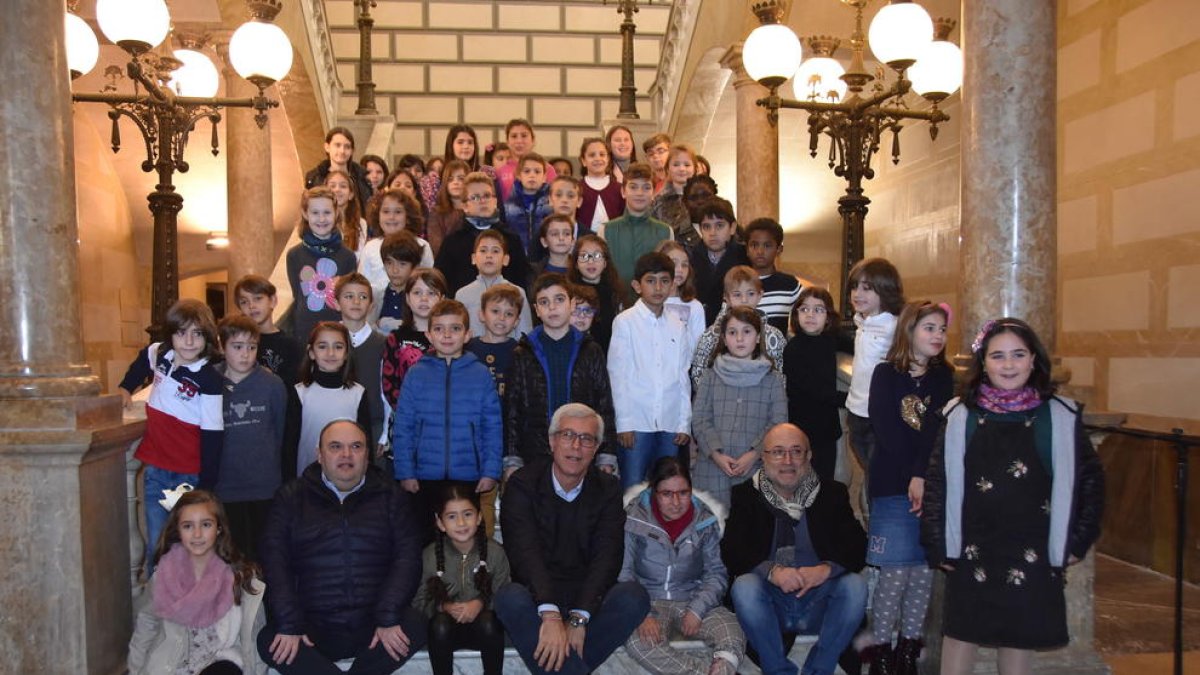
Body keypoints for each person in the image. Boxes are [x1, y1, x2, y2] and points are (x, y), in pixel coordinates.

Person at [922, 318, 1105, 675]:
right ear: (984, 363)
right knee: (962, 631)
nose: (1008, 365)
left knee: (1018, 637)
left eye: (1018, 355)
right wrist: (937, 542)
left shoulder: (1059, 417)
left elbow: (1091, 482)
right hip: (973, 545)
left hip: (1031, 546)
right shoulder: (961, 416)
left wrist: (1077, 541)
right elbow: (937, 483)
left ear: (1034, 359)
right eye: (998, 356)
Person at [258, 420, 428, 675]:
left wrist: (388, 615)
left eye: (356, 447)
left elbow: (407, 559)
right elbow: (275, 562)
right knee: (269, 640)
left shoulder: (391, 497)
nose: (346, 455)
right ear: (319, 454)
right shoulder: (291, 498)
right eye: (335, 447)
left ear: (367, 456)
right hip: (313, 625)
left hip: (373, 624)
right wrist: (290, 622)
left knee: (415, 624)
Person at [494, 404, 650, 675]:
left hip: (586, 598)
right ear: (553, 441)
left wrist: (578, 618)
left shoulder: (608, 489)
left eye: (586, 439)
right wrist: (551, 615)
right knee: (509, 597)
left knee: (633, 597)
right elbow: (524, 555)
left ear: (597, 448)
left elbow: (607, 557)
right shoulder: (522, 485)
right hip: (537, 596)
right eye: (568, 435)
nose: (576, 446)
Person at [722, 423, 868, 675]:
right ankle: (778, 670)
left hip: (819, 601)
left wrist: (826, 570)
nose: (787, 460)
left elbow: (857, 546)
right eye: (777, 452)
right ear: (763, 457)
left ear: (809, 456)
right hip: (771, 603)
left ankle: (819, 668)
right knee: (744, 586)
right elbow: (732, 550)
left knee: (855, 585)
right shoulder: (745, 495)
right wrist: (772, 571)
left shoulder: (831, 493)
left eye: (796, 451)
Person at [861, 302, 954, 674]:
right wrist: (911, 478)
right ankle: (881, 651)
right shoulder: (886, 374)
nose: (938, 336)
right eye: (929, 327)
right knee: (895, 572)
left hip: (929, 484)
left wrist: (923, 476)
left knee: (922, 572)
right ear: (910, 331)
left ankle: (908, 653)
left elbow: (936, 429)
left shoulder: (943, 376)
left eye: (942, 329)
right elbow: (886, 430)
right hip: (891, 484)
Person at [119, 299, 224, 576]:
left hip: (189, 477)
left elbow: (213, 435)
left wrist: (207, 486)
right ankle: (160, 606)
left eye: (197, 334)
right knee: (157, 543)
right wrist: (125, 387)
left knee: (190, 545)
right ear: (171, 334)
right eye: (181, 333)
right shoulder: (161, 355)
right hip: (157, 471)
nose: (189, 341)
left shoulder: (209, 378)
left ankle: (191, 605)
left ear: (207, 337)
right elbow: (142, 360)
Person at [621, 456, 746, 675]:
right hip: (649, 601)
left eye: (683, 493)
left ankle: (723, 668)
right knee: (637, 643)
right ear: (653, 491)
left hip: (693, 597)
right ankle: (701, 672)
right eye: (667, 494)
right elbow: (624, 572)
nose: (676, 502)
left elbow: (715, 573)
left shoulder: (705, 521)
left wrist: (697, 610)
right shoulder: (634, 519)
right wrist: (643, 614)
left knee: (732, 629)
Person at [392, 299, 503, 537]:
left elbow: (492, 426)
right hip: (423, 477)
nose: (447, 335)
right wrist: (405, 471)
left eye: (455, 328)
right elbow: (404, 427)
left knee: (465, 539)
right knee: (425, 539)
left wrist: (490, 470)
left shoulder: (480, 374)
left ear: (467, 335)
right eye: (439, 329)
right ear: (429, 335)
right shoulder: (416, 374)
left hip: (468, 475)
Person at [128, 490, 265, 675]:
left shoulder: (244, 580)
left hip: (219, 665)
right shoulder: (165, 577)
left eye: (206, 524)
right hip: (173, 666)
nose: (197, 534)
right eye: (188, 526)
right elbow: (146, 622)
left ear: (219, 528)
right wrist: (135, 670)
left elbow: (254, 640)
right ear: (178, 530)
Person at [504, 274, 616, 475]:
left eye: (559, 299)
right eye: (544, 302)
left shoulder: (590, 350)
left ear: (572, 304)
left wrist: (606, 453)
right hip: (536, 450)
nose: (552, 307)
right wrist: (512, 458)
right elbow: (513, 410)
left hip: (581, 449)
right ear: (536, 310)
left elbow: (604, 404)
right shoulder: (523, 353)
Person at [608, 252, 692, 489]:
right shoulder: (625, 322)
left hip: (669, 419)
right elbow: (618, 374)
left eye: (665, 280)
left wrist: (683, 422)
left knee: (666, 485)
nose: (658, 287)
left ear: (673, 283)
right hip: (637, 421)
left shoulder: (678, 325)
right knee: (633, 486)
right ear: (637, 285)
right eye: (651, 280)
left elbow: (682, 377)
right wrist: (624, 422)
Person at [691, 306, 787, 508]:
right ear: (724, 339)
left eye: (747, 331)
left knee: (748, 530)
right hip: (712, 466)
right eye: (733, 332)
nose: (740, 339)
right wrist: (716, 454)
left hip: (756, 467)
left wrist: (753, 454)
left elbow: (778, 423)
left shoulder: (773, 379)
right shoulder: (710, 375)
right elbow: (700, 418)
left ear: (758, 337)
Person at [412, 484, 511, 675]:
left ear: (479, 517)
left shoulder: (496, 552)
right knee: (439, 625)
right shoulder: (429, 555)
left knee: (489, 621)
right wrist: (444, 607)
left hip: (484, 629)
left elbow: (504, 596)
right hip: (445, 632)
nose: (461, 523)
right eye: (451, 516)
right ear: (440, 523)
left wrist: (481, 603)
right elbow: (418, 603)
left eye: (467, 514)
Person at [214, 315, 287, 563]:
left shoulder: (272, 385)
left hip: (263, 486)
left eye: (252, 347)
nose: (245, 354)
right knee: (229, 556)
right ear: (221, 346)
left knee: (264, 555)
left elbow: (279, 432)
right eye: (237, 347)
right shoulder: (210, 383)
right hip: (224, 486)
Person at [283, 322, 371, 477]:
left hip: (348, 480)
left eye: (338, 347)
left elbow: (366, 444)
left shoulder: (358, 393)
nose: (330, 353)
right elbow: (289, 446)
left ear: (346, 353)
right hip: (307, 481)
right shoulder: (300, 393)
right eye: (322, 347)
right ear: (311, 352)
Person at [844, 258, 905, 477]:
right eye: (854, 287)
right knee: (870, 472)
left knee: (879, 477)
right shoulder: (863, 323)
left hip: (878, 415)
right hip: (856, 411)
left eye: (866, 288)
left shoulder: (894, 326)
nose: (857, 293)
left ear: (885, 291)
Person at [782, 287, 845, 483]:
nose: (810, 315)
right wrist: (850, 399)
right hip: (801, 428)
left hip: (827, 429)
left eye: (818, 309)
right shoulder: (793, 348)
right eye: (804, 309)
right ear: (796, 314)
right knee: (801, 483)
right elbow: (815, 391)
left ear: (828, 317)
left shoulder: (830, 340)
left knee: (825, 483)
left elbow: (856, 344)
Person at [689, 265, 786, 390]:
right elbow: (699, 376)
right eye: (737, 295)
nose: (744, 300)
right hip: (721, 403)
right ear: (726, 297)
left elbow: (780, 377)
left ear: (760, 295)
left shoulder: (774, 336)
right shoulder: (711, 335)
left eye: (750, 293)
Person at [434, 171, 529, 296]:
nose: (482, 201)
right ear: (465, 206)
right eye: (475, 197)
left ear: (495, 202)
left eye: (487, 196)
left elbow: (522, 282)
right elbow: (439, 284)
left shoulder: (511, 239)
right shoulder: (452, 242)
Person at [285, 186, 357, 345]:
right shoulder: (294, 255)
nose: (322, 219)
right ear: (305, 214)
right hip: (305, 332)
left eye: (327, 212)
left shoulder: (348, 257)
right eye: (315, 213)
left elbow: (348, 298)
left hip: (337, 332)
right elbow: (298, 296)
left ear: (336, 213)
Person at [600, 162, 672, 305]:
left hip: (654, 310)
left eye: (646, 187)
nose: (640, 193)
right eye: (633, 187)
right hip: (615, 307)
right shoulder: (606, 230)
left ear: (653, 193)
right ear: (623, 191)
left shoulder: (665, 231)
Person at [380, 268, 447, 411]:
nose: (424, 298)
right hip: (406, 419)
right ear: (407, 298)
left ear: (442, 299)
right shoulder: (396, 338)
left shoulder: (449, 339)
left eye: (431, 293)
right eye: (417, 293)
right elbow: (389, 384)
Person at [335, 274, 389, 452]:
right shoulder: (326, 341)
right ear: (336, 303)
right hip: (334, 424)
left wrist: (385, 432)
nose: (356, 301)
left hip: (373, 426)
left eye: (363, 297)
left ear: (371, 305)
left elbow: (387, 391)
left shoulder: (383, 343)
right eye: (349, 296)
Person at [358, 188, 434, 306]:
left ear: (408, 217)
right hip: (377, 308)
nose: (391, 217)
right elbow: (362, 283)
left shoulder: (422, 246)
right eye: (386, 211)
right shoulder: (370, 247)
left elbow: (429, 283)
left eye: (398, 212)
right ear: (378, 215)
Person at [454, 229, 533, 339]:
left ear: (505, 259)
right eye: (483, 251)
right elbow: (457, 333)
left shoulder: (518, 292)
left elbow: (525, 334)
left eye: (495, 251)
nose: (489, 256)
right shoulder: (462, 294)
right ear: (473, 259)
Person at [234, 275, 303, 388]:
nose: (252, 306)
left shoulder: (290, 345)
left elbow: (294, 389)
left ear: (273, 300)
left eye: (258, 298)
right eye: (244, 302)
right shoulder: (237, 344)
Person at [689, 197, 749, 326]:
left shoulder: (745, 257)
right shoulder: (689, 258)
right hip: (698, 328)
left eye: (719, 226)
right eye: (706, 227)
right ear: (700, 230)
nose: (713, 233)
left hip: (735, 328)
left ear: (732, 228)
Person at [465, 284, 524, 402]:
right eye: (495, 311)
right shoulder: (467, 349)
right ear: (482, 315)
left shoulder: (520, 352)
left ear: (516, 321)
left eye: (509, 314)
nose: (501, 318)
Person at [419, 125, 498, 213]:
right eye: (460, 142)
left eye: (470, 142)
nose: (466, 146)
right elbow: (432, 212)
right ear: (451, 145)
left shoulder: (485, 174)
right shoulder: (434, 180)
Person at [745, 217, 802, 335]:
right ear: (747, 249)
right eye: (754, 245)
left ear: (779, 249)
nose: (760, 251)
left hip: (777, 352)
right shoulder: (737, 283)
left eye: (767, 245)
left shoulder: (790, 285)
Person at [566, 233, 623, 351]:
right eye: (584, 256)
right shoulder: (568, 292)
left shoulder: (615, 292)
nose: (590, 262)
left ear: (605, 263)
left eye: (597, 256)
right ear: (576, 263)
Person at [303, 126, 373, 219]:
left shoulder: (362, 178)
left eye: (347, 147)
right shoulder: (315, 178)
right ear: (327, 147)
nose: (342, 151)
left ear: (352, 151)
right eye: (337, 145)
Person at [656, 239, 706, 356]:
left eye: (684, 265)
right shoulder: (651, 303)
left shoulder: (695, 306)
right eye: (674, 263)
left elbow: (698, 347)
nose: (680, 270)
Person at [368, 230, 424, 334]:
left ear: (415, 266)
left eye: (402, 264)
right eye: (389, 263)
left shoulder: (422, 299)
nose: (395, 270)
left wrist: (385, 323)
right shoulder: (375, 297)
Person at [503, 153, 554, 260]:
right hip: (515, 259)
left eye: (537, 171)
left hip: (544, 259)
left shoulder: (551, 204)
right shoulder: (507, 206)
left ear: (544, 177)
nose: (532, 175)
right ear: (519, 175)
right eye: (527, 171)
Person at [495, 119, 558, 202]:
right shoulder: (500, 170)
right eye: (514, 136)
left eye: (524, 136)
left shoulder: (547, 169)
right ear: (507, 142)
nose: (519, 141)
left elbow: (555, 199)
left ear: (533, 140)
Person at [650, 145, 698, 246]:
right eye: (676, 164)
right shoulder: (658, 201)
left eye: (687, 165)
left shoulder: (704, 200)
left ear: (695, 169)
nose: (681, 169)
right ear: (667, 169)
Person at [577, 137, 625, 234]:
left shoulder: (619, 188)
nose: (597, 158)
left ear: (608, 159)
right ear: (583, 161)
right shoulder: (577, 188)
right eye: (592, 155)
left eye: (602, 154)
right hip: (584, 242)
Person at [424, 159, 469, 256]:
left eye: (461, 178)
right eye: (450, 179)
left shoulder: (474, 211)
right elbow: (437, 247)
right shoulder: (437, 212)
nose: (456, 182)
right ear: (445, 183)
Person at [326, 169, 369, 257]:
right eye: (332, 186)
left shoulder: (361, 223)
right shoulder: (318, 223)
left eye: (343, 186)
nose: (337, 189)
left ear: (351, 194)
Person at [528, 213, 576, 278]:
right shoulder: (533, 272)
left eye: (566, 234)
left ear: (573, 241)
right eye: (555, 234)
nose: (561, 238)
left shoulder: (580, 270)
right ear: (544, 242)